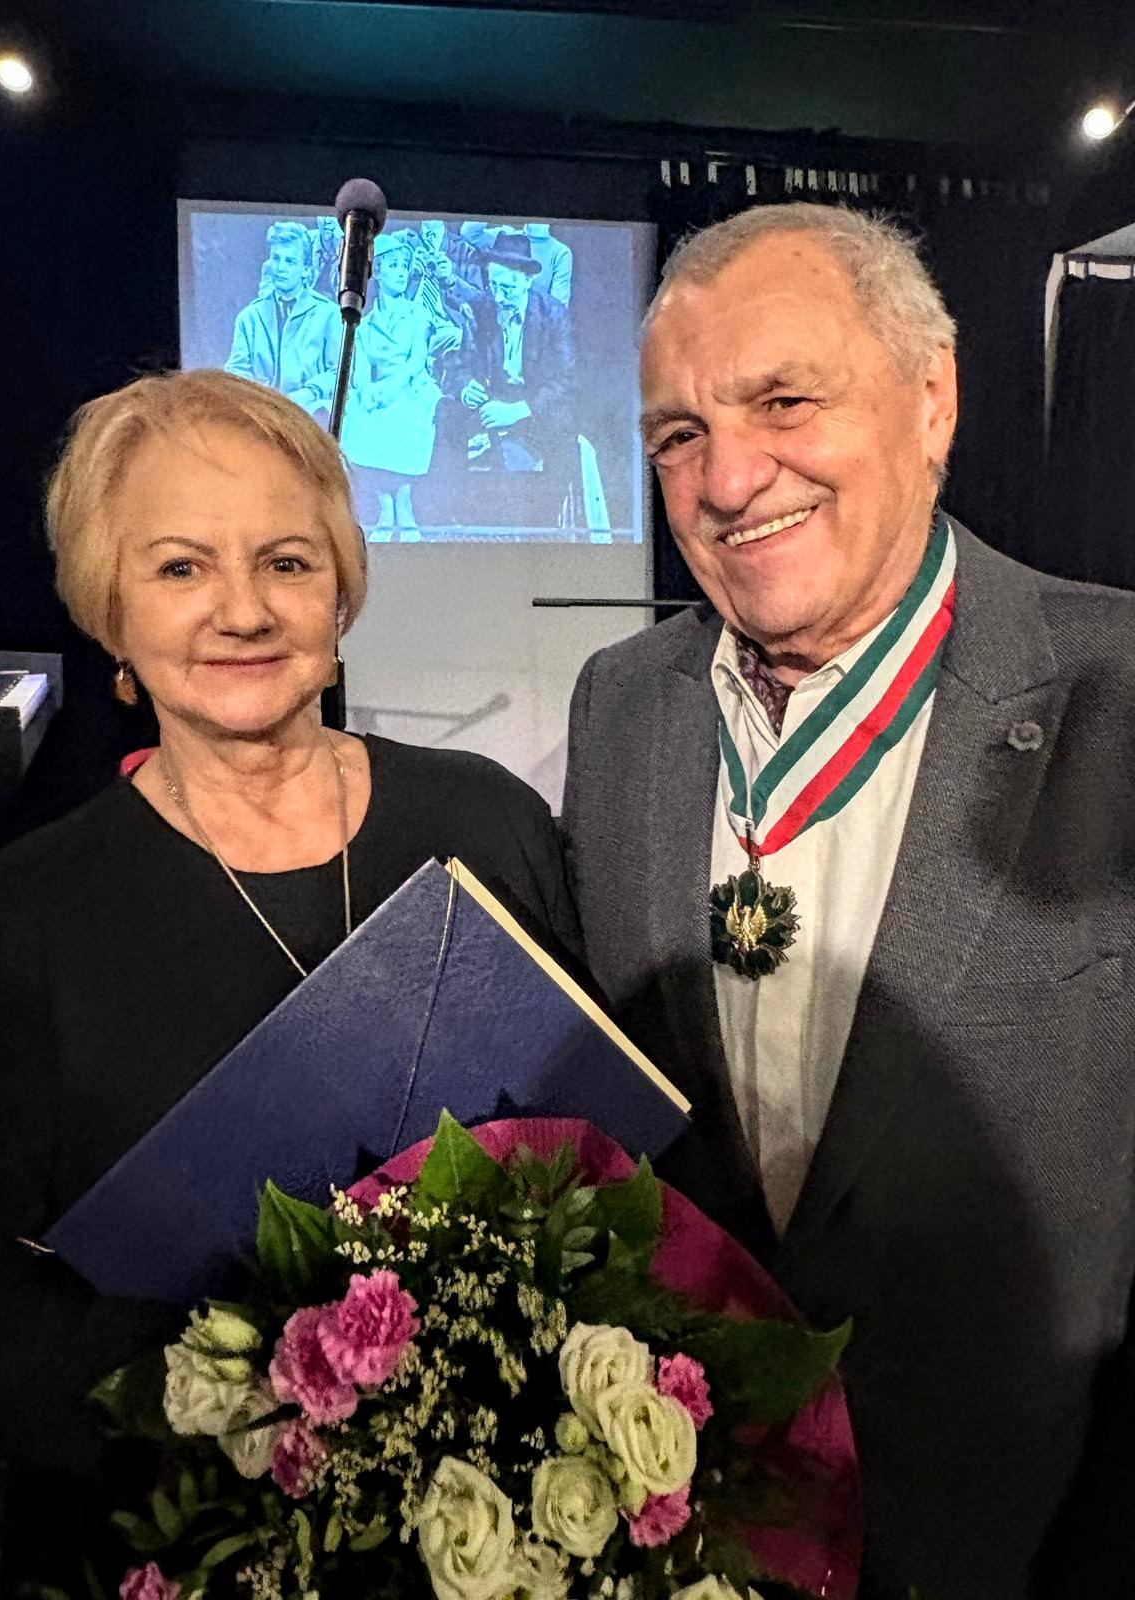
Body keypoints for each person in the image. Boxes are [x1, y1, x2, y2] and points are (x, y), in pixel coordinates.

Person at [560, 202, 1135, 1600]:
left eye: (784, 401)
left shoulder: (1119, 695)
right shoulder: (620, 707)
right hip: (695, 1530)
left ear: (933, 398)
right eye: (678, 434)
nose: (727, 476)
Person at [0, 368, 580, 1584]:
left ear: (339, 591)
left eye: (286, 561)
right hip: (175, 1540)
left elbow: (602, 1164)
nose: (242, 610)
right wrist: (251, 1415)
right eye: (180, 567)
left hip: (495, 1530)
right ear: (110, 607)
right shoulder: (18, 924)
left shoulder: (489, 825)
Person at [444, 232, 574, 527]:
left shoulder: (553, 315)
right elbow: (461, 365)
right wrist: (466, 388)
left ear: (527, 280)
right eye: (494, 286)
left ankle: (544, 526)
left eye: (508, 288)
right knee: (445, 416)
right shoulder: (482, 308)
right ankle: (454, 522)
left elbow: (564, 380)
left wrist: (519, 410)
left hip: (534, 405)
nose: (500, 298)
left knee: (564, 432)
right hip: (491, 402)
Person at [338, 232, 451, 541]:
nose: (401, 273)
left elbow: (416, 362)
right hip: (379, 389)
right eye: (393, 266)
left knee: (405, 413)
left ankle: (404, 503)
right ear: (378, 273)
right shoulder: (366, 323)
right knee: (358, 414)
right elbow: (360, 368)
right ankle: (385, 506)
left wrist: (388, 389)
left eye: (404, 266)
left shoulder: (418, 315)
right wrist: (367, 390)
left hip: (411, 386)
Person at [225, 220, 341, 422]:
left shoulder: (328, 314)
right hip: (260, 418)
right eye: (276, 258)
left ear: (306, 269)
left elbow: (339, 373)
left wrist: (309, 393)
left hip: (311, 417)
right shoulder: (249, 317)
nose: (280, 268)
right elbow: (236, 371)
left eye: (290, 261)